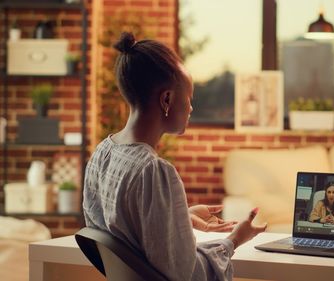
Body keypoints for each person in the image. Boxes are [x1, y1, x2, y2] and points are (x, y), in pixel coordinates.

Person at [83, 32, 267, 281]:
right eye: (189, 98)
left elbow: (126, 239)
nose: (191, 108)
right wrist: (234, 240)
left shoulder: (101, 155)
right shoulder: (153, 171)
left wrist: (181, 215)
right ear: (167, 99)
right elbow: (186, 274)